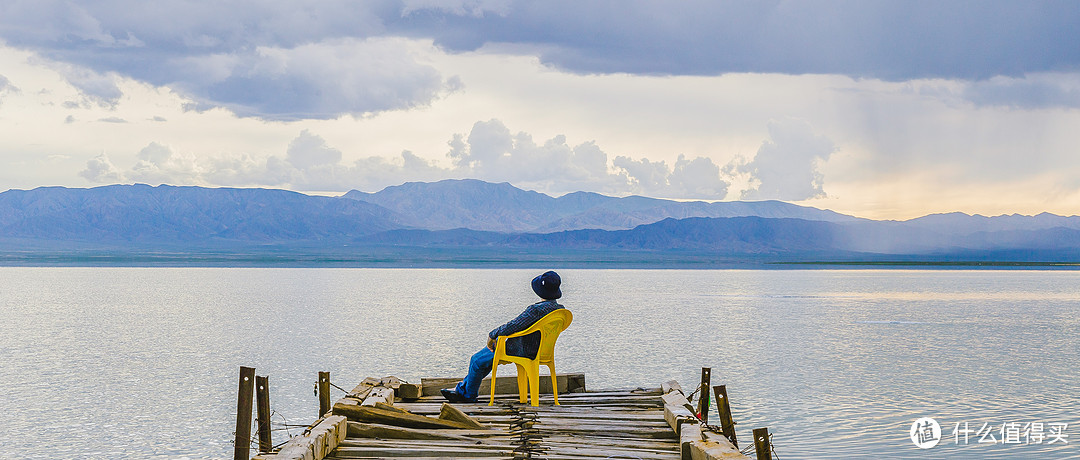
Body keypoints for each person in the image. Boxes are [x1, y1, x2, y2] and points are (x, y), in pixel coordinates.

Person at [441, 271, 565, 403]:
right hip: (541, 351)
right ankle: (463, 389)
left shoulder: (536, 310)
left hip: (522, 350)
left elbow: (514, 325)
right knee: (483, 361)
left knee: (476, 360)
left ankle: (467, 395)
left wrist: (492, 335)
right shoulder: (560, 311)